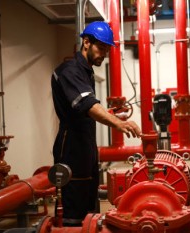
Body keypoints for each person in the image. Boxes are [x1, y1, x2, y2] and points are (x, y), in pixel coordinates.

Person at [51, 21, 141, 226]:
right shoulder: (69, 70)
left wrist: (111, 114)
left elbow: (86, 109)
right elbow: (88, 106)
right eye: (101, 48)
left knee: (89, 197)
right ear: (86, 42)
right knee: (74, 202)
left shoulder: (86, 71)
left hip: (86, 142)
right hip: (72, 145)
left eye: (107, 50)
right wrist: (118, 123)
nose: (104, 54)